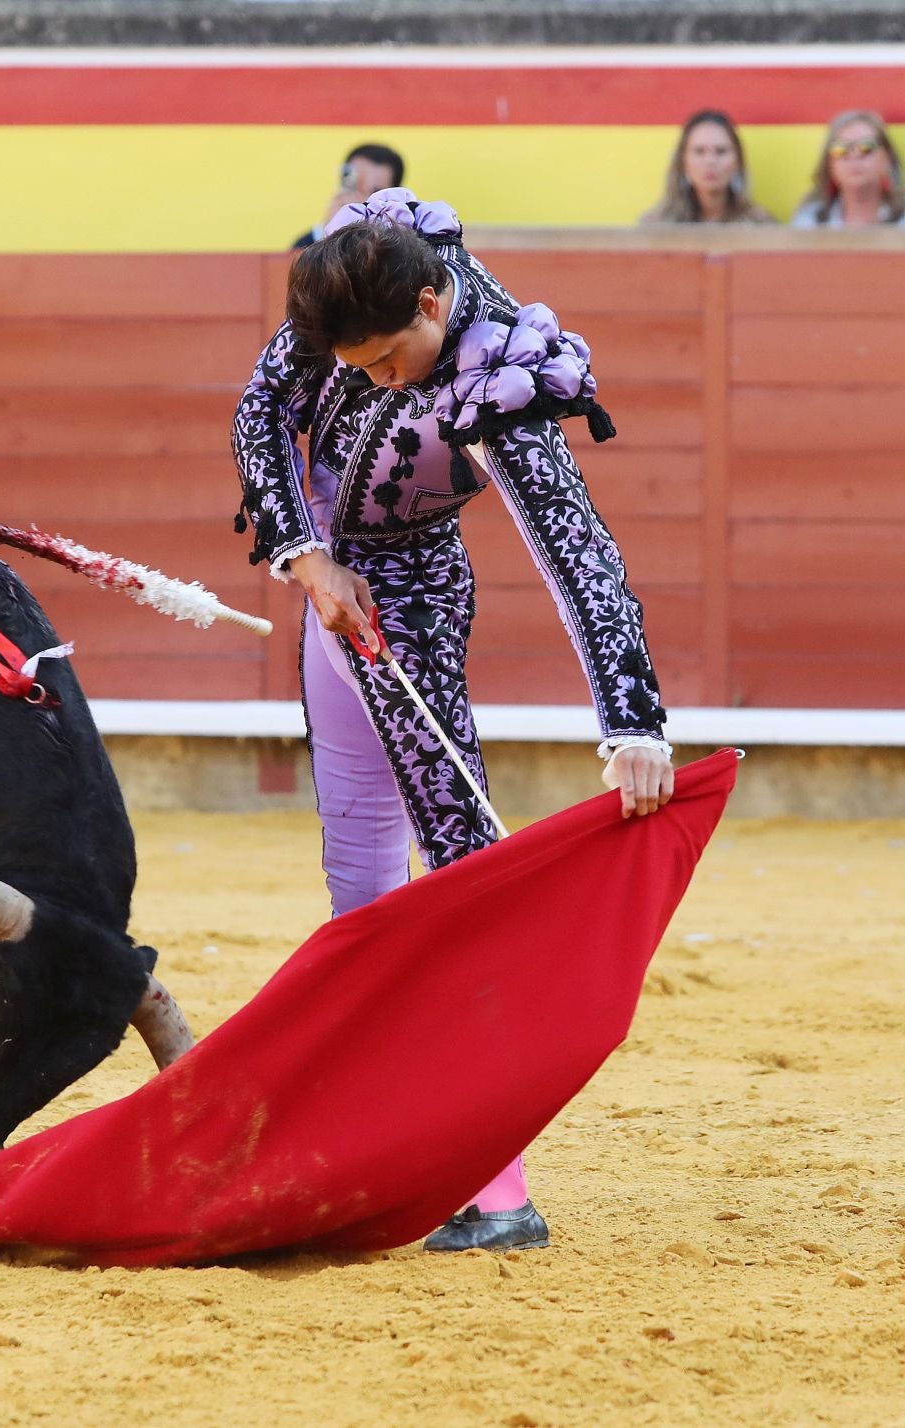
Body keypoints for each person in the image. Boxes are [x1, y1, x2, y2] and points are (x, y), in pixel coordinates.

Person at [231, 189, 675, 1253]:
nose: (376, 377)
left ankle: (498, 1189)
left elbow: (580, 555)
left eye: (390, 358)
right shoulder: (350, 300)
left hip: (412, 614)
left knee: (463, 878)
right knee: (358, 889)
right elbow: (259, 415)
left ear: (434, 305)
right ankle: (379, 1138)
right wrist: (304, 557)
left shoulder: (500, 384)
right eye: (359, 364)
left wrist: (635, 724)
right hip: (332, 599)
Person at [639, 110, 775, 225]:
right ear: (683, 162)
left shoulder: (760, 226)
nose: (710, 161)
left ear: (738, 162)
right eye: (699, 151)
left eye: (721, 151)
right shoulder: (656, 226)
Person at [791, 110, 905, 227]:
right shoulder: (811, 220)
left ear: (887, 158)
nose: (854, 155)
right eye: (841, 148)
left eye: (866, 146)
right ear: (829, 163)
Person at [292, 144, 406, 250]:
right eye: (355, 187)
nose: (361, 201)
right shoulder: (306, 243)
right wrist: (329, 232)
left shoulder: (405, 247)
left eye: (375, 193)